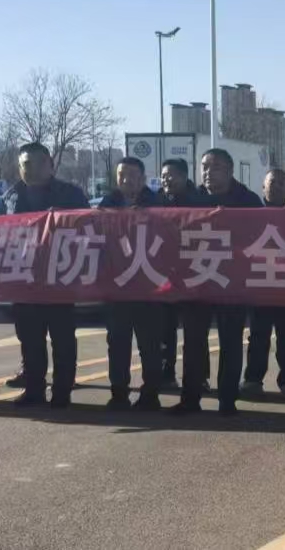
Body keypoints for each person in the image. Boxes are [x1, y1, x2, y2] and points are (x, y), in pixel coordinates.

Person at [173, 148, 264, 416]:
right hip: (198, 279)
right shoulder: (191, 199)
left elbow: (262, 236)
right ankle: (190, 398)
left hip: (232, 282)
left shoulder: (248, 200)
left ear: (230, 171)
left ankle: (227, 399)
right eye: (204, 167)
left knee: (231, 342)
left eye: (215, 167)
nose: (208, 172)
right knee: (193, 342)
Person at [0, 143, 89, 407]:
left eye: (39, 163)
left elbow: (88, 228)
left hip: (60, 277)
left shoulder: (70, 194)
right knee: (30, 339)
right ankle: (34, 390)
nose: (33, 169)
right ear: (19, 167)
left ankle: (62, 392)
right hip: (24, 279)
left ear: (50, 164)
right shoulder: (10, 197)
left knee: (63, 339)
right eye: (26, 164)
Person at [96, 158, 168, 411]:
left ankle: (151, 395)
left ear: (143, 178)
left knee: (150, 345)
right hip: (117, 286)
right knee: (117, 343)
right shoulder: (107, 203)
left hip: (149, 287)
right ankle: (119, 394)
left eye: (132, 175)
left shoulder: (158, 203)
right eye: (121, 175)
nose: (126, 180)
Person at [244, 168, 285, 400]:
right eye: (272, 183)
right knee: (258, 336)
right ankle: (253, 380)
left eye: (281, 183)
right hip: (260, 284)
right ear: (263, 187)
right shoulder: (251, 214)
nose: (276, 187)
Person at [156, 158, 207, 392]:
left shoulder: (199, 201)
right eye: (163, 175)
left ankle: (199, 378)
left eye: (171, 175)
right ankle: (167, 374)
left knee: (195, 333)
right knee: (165, 330)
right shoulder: (155, 201)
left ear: (185, 177)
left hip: (193, 274)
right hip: (164, 274)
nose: (166, 179)